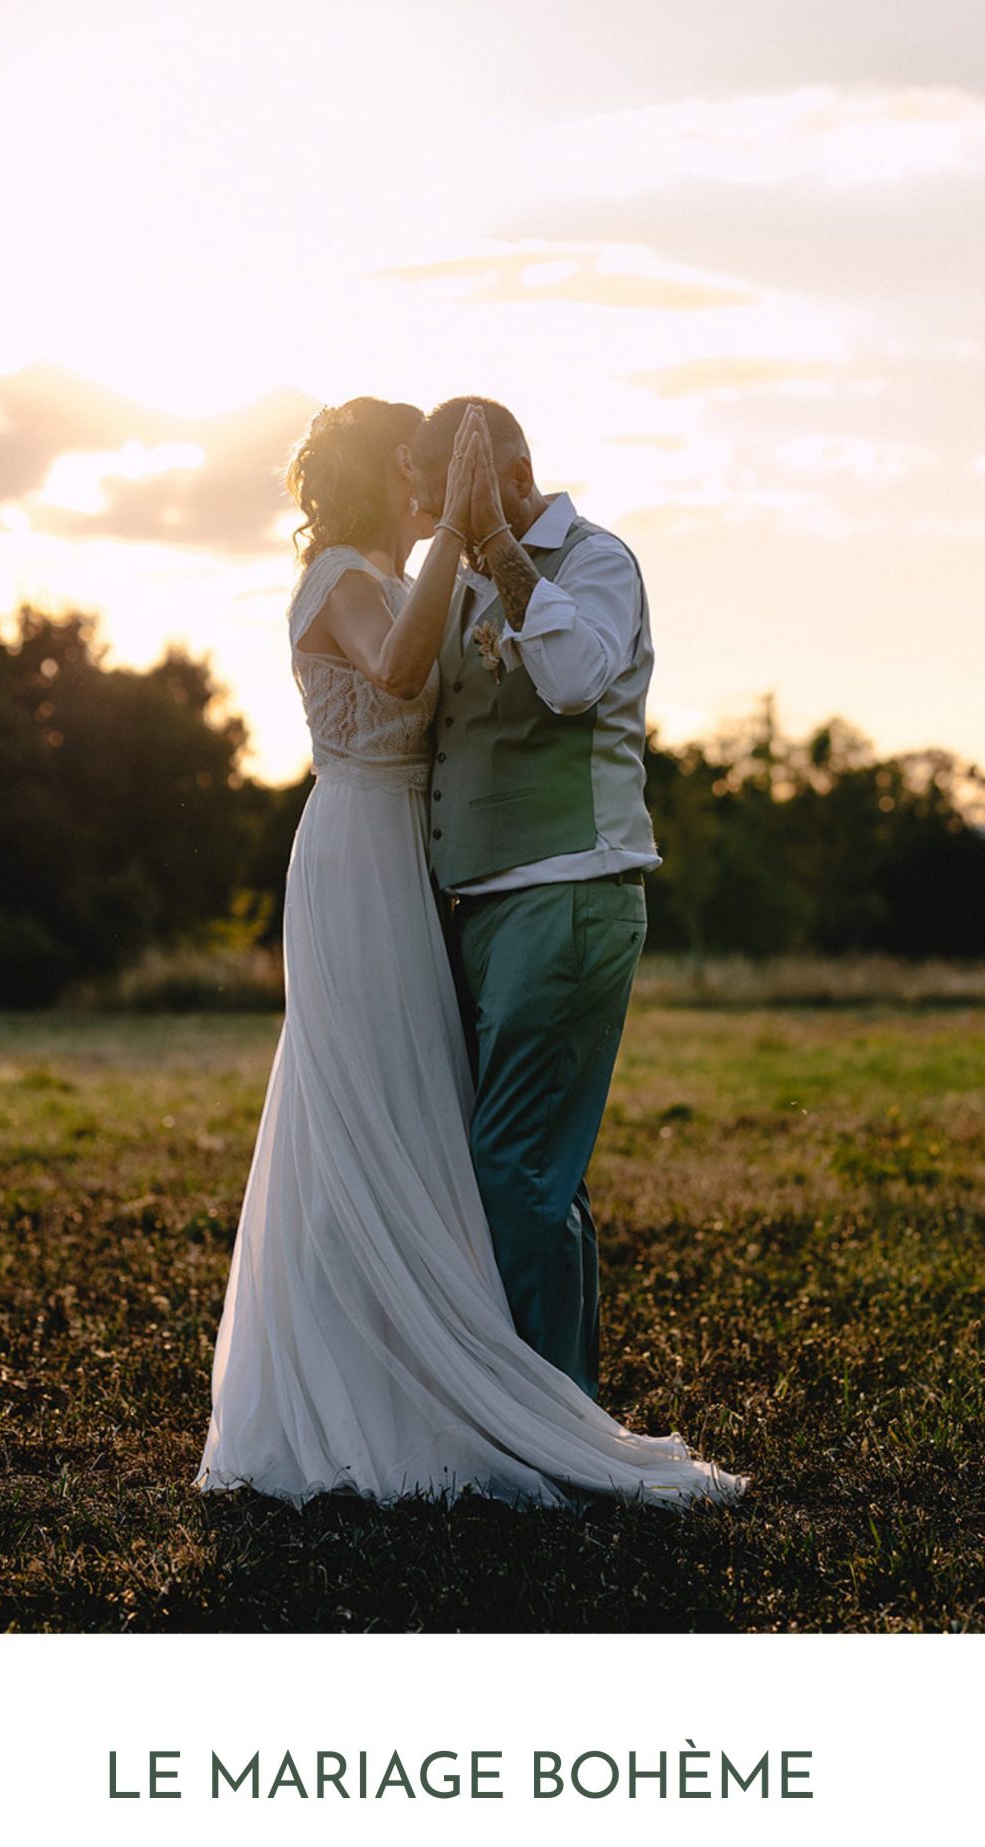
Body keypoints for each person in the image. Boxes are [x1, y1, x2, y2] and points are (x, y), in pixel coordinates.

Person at [195, 395, 745, 1512]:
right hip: (375, 864)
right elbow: (401, 679)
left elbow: (570, 678)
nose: (423, 489)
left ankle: (534, 1403)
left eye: (437, 472)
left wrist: (470, 541)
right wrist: (462, 535)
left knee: (480, 1159)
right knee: (401, 1132)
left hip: (507, 886)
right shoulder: (359, 579)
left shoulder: (588, 565)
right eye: (412, 471)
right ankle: (450, 1393)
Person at [409, 397, 656, 1403]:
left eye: (457, 507)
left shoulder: (598, 561)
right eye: (434, 514)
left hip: (570, 892)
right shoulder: (458, 577)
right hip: (481, 909)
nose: (446, 533)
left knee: (512, 1171)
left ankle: (528, 1427)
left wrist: (500, 550)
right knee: (532, 1175)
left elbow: (572, 681)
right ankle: (561, 1406)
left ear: (514, 477)